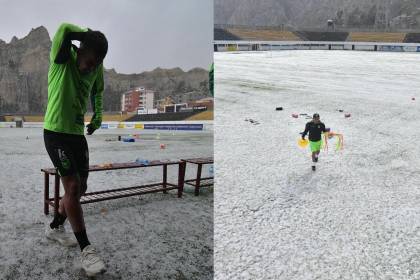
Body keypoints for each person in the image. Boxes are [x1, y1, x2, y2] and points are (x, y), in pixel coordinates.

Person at [43, 22, 107, 277]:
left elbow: (98, 91)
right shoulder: (62, 58)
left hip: (77, 135)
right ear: (80, 50)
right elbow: (63, 28)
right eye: (89, 60)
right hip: (55, 133)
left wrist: (98, 115)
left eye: (95, 64)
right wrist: (88, 36)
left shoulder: (96, 67)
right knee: (70, 187)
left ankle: (55, 227)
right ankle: (87, 251)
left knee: (79, 189)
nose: (90, 68)